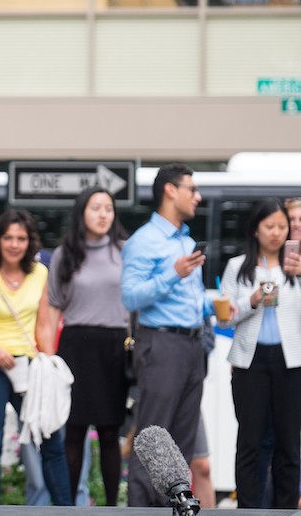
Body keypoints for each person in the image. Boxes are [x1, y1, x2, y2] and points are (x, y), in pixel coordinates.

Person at [0, 208, 72, 506]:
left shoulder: (41, 273)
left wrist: (49, 364)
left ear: (30, 242)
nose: (15, 244)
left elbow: (44, 326)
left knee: (51, 441)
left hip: (28, 365)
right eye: (8, 238)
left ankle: (67, 510)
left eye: (21, 238)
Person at [121, 163, 221, 507]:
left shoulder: (186, 240)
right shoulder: (143, 241)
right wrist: (172, 274)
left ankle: (177, 510)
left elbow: (192, 300)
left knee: (182, 445)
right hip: (161, 345)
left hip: (193, 346)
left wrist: (222, 306)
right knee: (153, 440)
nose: (198, 197)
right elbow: (130, 297)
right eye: (192, 189)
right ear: (170, 190)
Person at [35, 186, 129, 506]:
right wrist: (48, 359)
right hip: (75, 347)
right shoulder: (65, 253)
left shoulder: (125, 251)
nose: (103, 214)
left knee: (110, 432)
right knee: (74, 432)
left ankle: (113, 509)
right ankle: (67, 509)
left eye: (108, 208)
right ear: (81, 212)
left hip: (114, 347)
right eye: (95, 208)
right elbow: (52, 309)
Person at [218, 198, 301, 508]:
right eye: (269, 226)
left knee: (289, 443)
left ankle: (286, 510)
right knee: (250, 442)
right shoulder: (238, 267)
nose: (276, 233)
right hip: (249, 361)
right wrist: (251, 301)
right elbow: (224, 318)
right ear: (255, 229)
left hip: (291, 361)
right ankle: (248, 510)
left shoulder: (296, 266)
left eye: (282, 226)